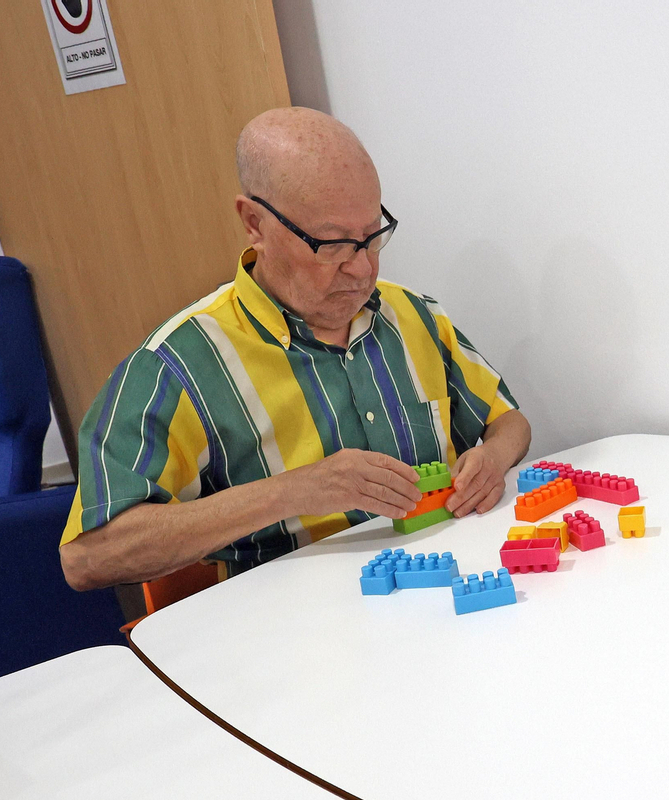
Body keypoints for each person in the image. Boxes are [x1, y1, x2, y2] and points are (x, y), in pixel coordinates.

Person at [59, 108, 530, 591]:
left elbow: (508, 420)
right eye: (331, 244)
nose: (362, 270)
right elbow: (89, 558)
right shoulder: (177, 365)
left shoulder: (414, 316)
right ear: (255, 223)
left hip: (444, 593)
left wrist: (492, 459)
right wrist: (294, 492)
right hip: (292, 636)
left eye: (372, 236)